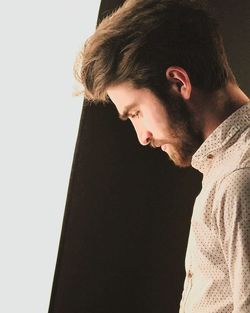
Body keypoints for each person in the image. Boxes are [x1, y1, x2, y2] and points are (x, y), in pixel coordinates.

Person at [74, 0, 250, 312]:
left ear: (178, 82)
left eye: (137, 113)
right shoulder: (226, 167)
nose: (142, 137)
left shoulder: (239, 180)